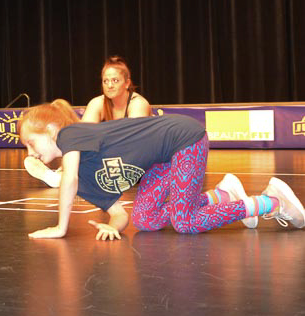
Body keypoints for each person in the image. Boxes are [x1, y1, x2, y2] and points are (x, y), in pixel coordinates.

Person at [18, 100, 305, 241]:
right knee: (144, 219)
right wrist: (113, 226)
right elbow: (119, 213)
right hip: (162, 160)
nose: (30, 153)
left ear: (51, 130)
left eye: (31, 143)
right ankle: (221, 196)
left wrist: (61, 227)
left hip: (182, 139)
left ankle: (271, 201)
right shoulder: (84, 181)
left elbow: (68, 179)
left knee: (185, 222)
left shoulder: (70, 134)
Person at [23, 56, 152, 189]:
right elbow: (81, 138)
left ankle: (69, 177)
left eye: (115, 80)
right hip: (117, 163)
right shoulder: (97, 103)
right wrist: (67, 165)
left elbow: (131, 143)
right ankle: (62, 175)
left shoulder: (138, 103)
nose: (109, 85)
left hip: (143, 162)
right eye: (105, 81)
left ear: (127, 83)